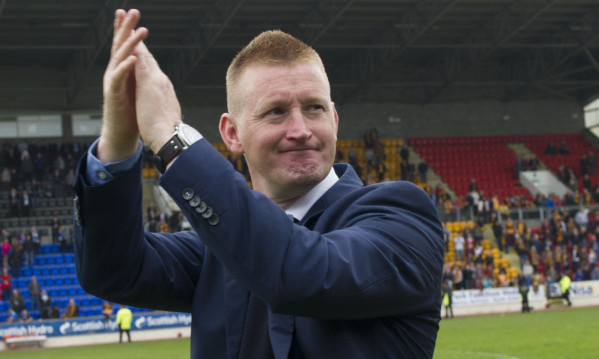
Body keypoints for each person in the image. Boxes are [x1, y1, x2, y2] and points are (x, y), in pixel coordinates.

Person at [73, 9, 444, 359]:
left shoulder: (402, 216)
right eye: (276, 112)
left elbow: (300, 272)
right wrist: (118, 143)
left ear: (334, 119)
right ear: (232, 134)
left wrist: (174, 142)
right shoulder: (217, 249)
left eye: (314, 108)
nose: (300, 130)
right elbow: (112, 270)